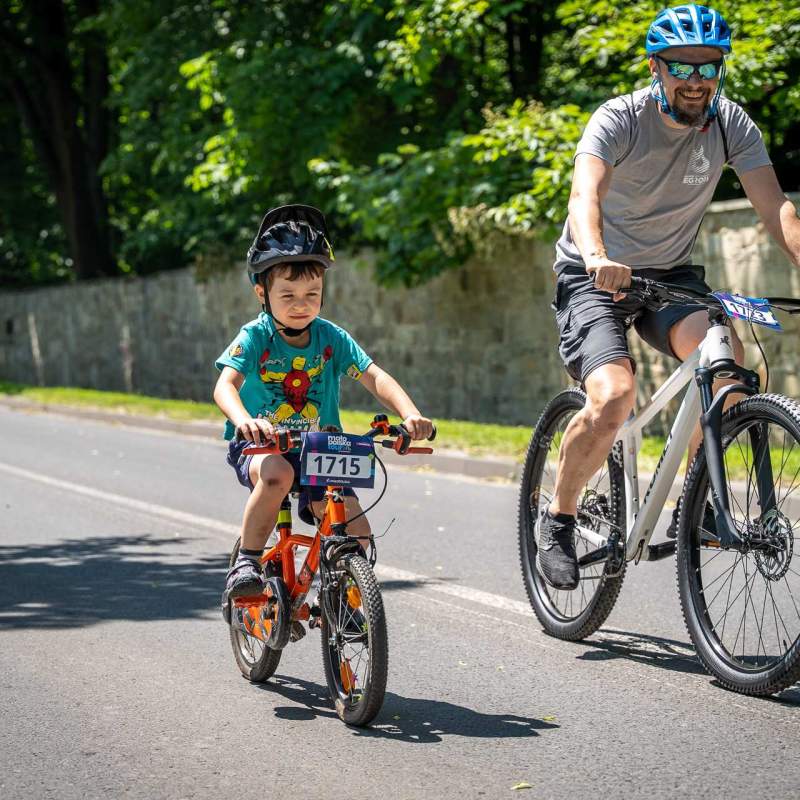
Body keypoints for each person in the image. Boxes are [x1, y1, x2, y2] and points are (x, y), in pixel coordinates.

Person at [538, 4, 800, 590]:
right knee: (614, 397)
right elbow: (586, 196)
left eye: (708, 66)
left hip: (671, 276)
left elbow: (775, 207)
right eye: (681, 65)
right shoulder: (619, 118)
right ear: (656, 67)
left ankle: (695, 505)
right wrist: (599, 256)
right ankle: (557, 517)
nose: (695, 78)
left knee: (726, 371)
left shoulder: (731, 124)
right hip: (593, 273)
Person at [215, 204, 434, 599]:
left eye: (312, 294)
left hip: (319, 449)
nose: (301, 303)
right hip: (262, 445)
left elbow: (374, 375)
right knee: (278, 475)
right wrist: (246, 420)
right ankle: (247, 561)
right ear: (261, 293)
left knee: (358, 534)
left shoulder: (332, 338)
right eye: (288, 295)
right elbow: (224, 386)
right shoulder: (254, 336)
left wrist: (410, 414)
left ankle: (345, 605)